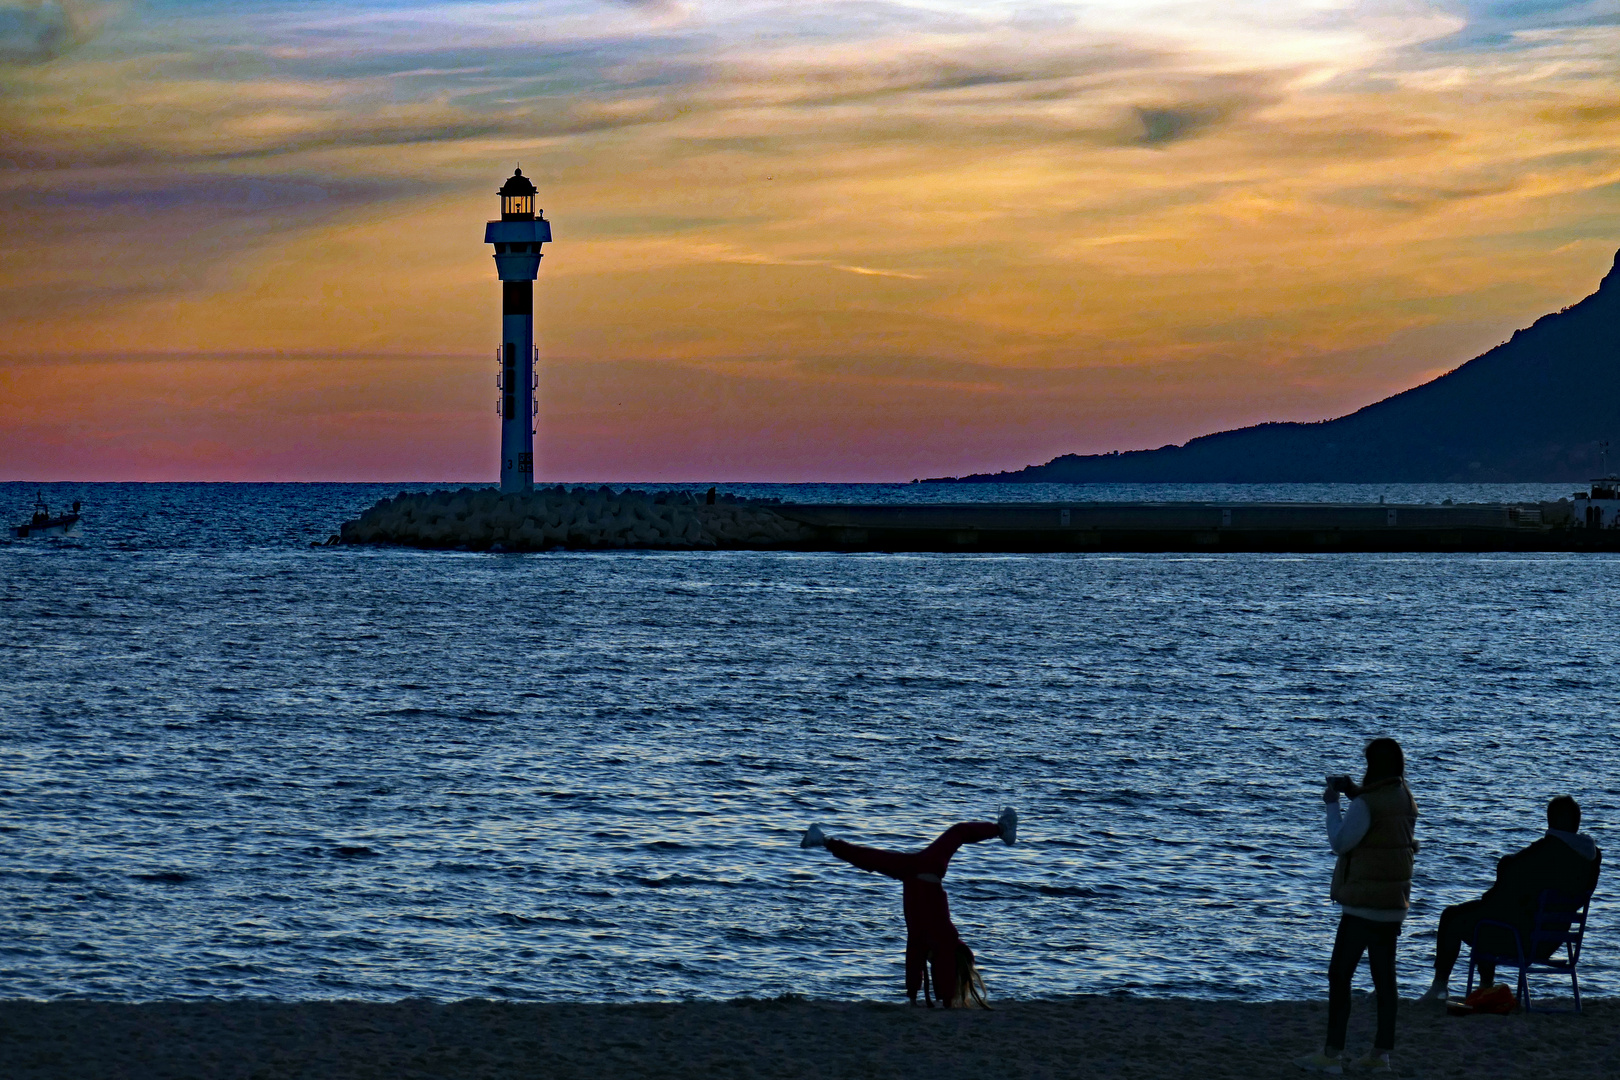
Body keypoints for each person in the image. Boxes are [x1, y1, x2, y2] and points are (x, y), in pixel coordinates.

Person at [800, 809, 1017, 1007]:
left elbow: (916, 961)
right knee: (871, 858)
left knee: (870, 858)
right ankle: (1001, 830)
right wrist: (943, 1000)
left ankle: (822, 840)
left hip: (918, 872)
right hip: (925, 870)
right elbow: (929, 964)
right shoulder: (943, 941)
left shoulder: (931, 942)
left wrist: (917, 997)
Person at [1296, 738, 1418, 1076]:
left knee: (1339, 975)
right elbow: (1378, 820)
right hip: (1393, 904)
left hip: (1363, 906)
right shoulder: (1404, 797)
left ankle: (1332, 1053)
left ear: (1372, 766)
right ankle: (1381, 1055)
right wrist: (1355, 792)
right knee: (1385, 980)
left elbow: (1340, 842)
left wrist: (1333, 802)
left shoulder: (1365, 804)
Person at [1417, 795, 1602, 1004]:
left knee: (1454, 917)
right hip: (1553, 939)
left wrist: (1504, 866)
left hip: (1524, 940)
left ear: (1552, 821)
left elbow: (1509, 878)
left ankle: (1442, 987)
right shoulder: (1590, 861)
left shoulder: (1546, 852)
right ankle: (1485, 987)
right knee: (1490, 916)